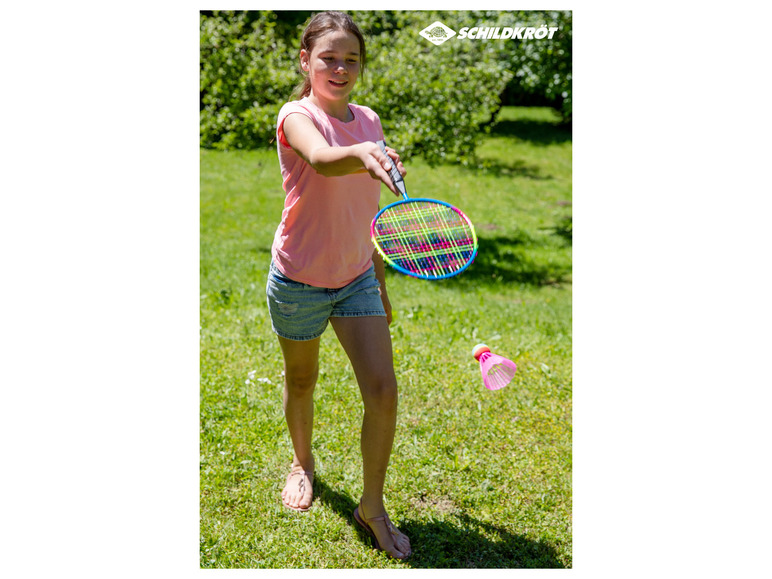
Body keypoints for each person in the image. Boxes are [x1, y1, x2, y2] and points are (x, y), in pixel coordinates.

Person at [265, 11, 412, 560]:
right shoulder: (297, 116)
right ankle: (302, 463)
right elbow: (325, 162)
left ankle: (370, 507)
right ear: (306, 60)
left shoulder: (369, 119)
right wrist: (360, 154)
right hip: (299, 278)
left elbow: (365, 214)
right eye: (329, 57)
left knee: (383, 390)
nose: (341, 67)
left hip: (356, 280)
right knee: (301, 381)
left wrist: (379, 280)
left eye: (352, 58)